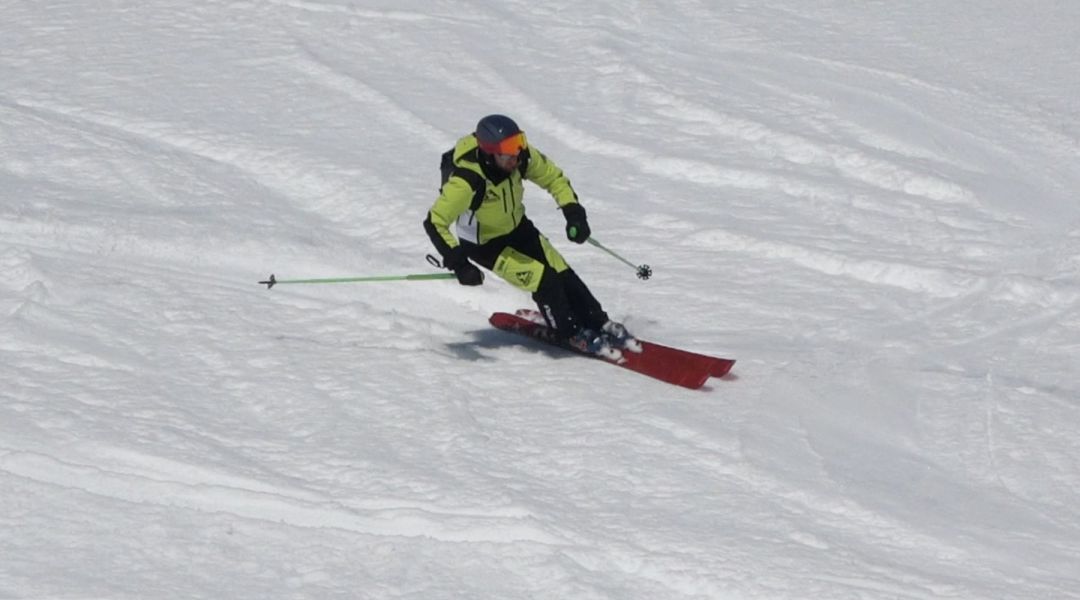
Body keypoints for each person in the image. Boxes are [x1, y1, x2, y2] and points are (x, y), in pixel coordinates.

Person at [423, 114, 630, 354]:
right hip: (487, 246)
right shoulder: (468, 181)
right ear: (490, 154)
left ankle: (598, 321)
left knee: (561, 270)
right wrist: (460, 263)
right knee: (544, 280)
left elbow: (553, 178)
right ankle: (570, 333)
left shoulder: (520, 157)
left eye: (518, 146)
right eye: (508, 153)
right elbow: (435, 221)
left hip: (518, 228)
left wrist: (573, 213)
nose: (516, 157)